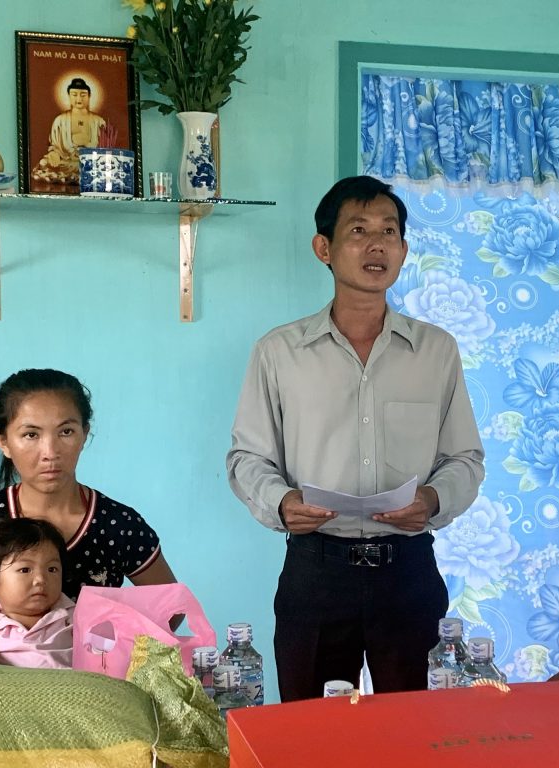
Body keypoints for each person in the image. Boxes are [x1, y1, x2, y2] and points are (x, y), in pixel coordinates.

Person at [226, 175, 485, 701]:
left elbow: (465, 458)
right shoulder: (280, 352)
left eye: (389, 232)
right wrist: (281, 503)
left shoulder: (435, 350)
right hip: (316, 569)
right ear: (323, 248)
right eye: (359, 230)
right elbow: (247, 457)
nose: (377, 245)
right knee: (312, 731)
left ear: (404, 250)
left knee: (417, 727)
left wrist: (434, 499)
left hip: (408, 570)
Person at [0, 368, 177, 659]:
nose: (50, 452)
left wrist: (120, 658)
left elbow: (172, 609)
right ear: (3, 441)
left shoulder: (119, 525)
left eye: (66, 432)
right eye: (31, 434)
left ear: (84, 434)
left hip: (88, 685)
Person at [0, 517, 73, 668]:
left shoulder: (71, 613)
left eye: (52, 569)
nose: (41, 579)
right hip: (5, 681)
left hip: (67, 682)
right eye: (25, 570)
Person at [31, 77, 107, 188]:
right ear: (69, 96)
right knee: (43, 162)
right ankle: (75, 177)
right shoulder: (60, 121)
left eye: (83, 95)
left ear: (89, 96)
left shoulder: (99, 122)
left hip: (91, 163)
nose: (79, 98)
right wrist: (54, 154)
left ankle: (66, 177)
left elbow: (105, 148)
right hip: (66, 162)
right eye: (74, 94)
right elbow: (54, 146)